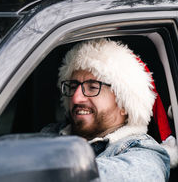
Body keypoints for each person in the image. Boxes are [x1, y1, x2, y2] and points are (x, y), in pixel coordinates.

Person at [41, 38, 178, 181]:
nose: (76, 98)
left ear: (124, 104)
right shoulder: (51, 132)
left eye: (93, 87)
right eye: (74, 86)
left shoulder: (144, 154)